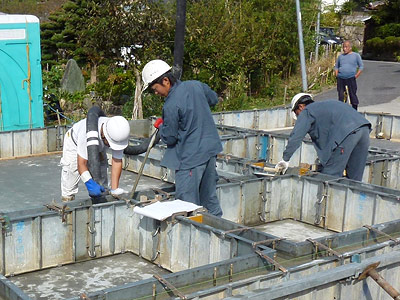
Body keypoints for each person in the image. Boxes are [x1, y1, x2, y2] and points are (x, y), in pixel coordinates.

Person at [141, 59, 223, 217]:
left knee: (186, 205)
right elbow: (213, 99)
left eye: (155, 89)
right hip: (210, 152)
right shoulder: (196, 85)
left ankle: (192, 239)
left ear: (165, 81)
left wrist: (162, 127)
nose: (155, 93)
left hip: (190, 159)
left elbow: (170, 138)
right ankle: (218, 234)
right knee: (209, 199)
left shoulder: (171, 105)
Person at [275, 93, 371, 181]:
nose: (298, 117)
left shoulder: (307, 111)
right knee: (354, 181)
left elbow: (296, 136)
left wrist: (285, 159)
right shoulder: (325, 106)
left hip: (347, 134)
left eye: (297, 114)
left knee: (329, 178)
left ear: (300, 107)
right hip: (364, 130)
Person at [60, 114, 130, 201]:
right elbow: (81, 164)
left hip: (99, 146)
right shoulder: (85, 134)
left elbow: (117, 161)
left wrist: (114, 189)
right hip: (74, 143)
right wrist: (89, 183)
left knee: (102, 171)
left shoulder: (117, 133)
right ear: (104, 136)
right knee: (71, 173)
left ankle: (104, 196)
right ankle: (67, 200)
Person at [334, 40, 364, 110]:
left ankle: (354, 110)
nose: (344, 49)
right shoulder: (340, 57)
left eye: (346, 47)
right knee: (341, 96)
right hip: (341, 78)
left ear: (350, 47)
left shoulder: (356, 55)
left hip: (351, 78)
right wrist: (337, 74)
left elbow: (361, 66)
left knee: (352, 95)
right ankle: (342, 110)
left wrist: (356, 75)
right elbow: (336, 67)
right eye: (343, 47)